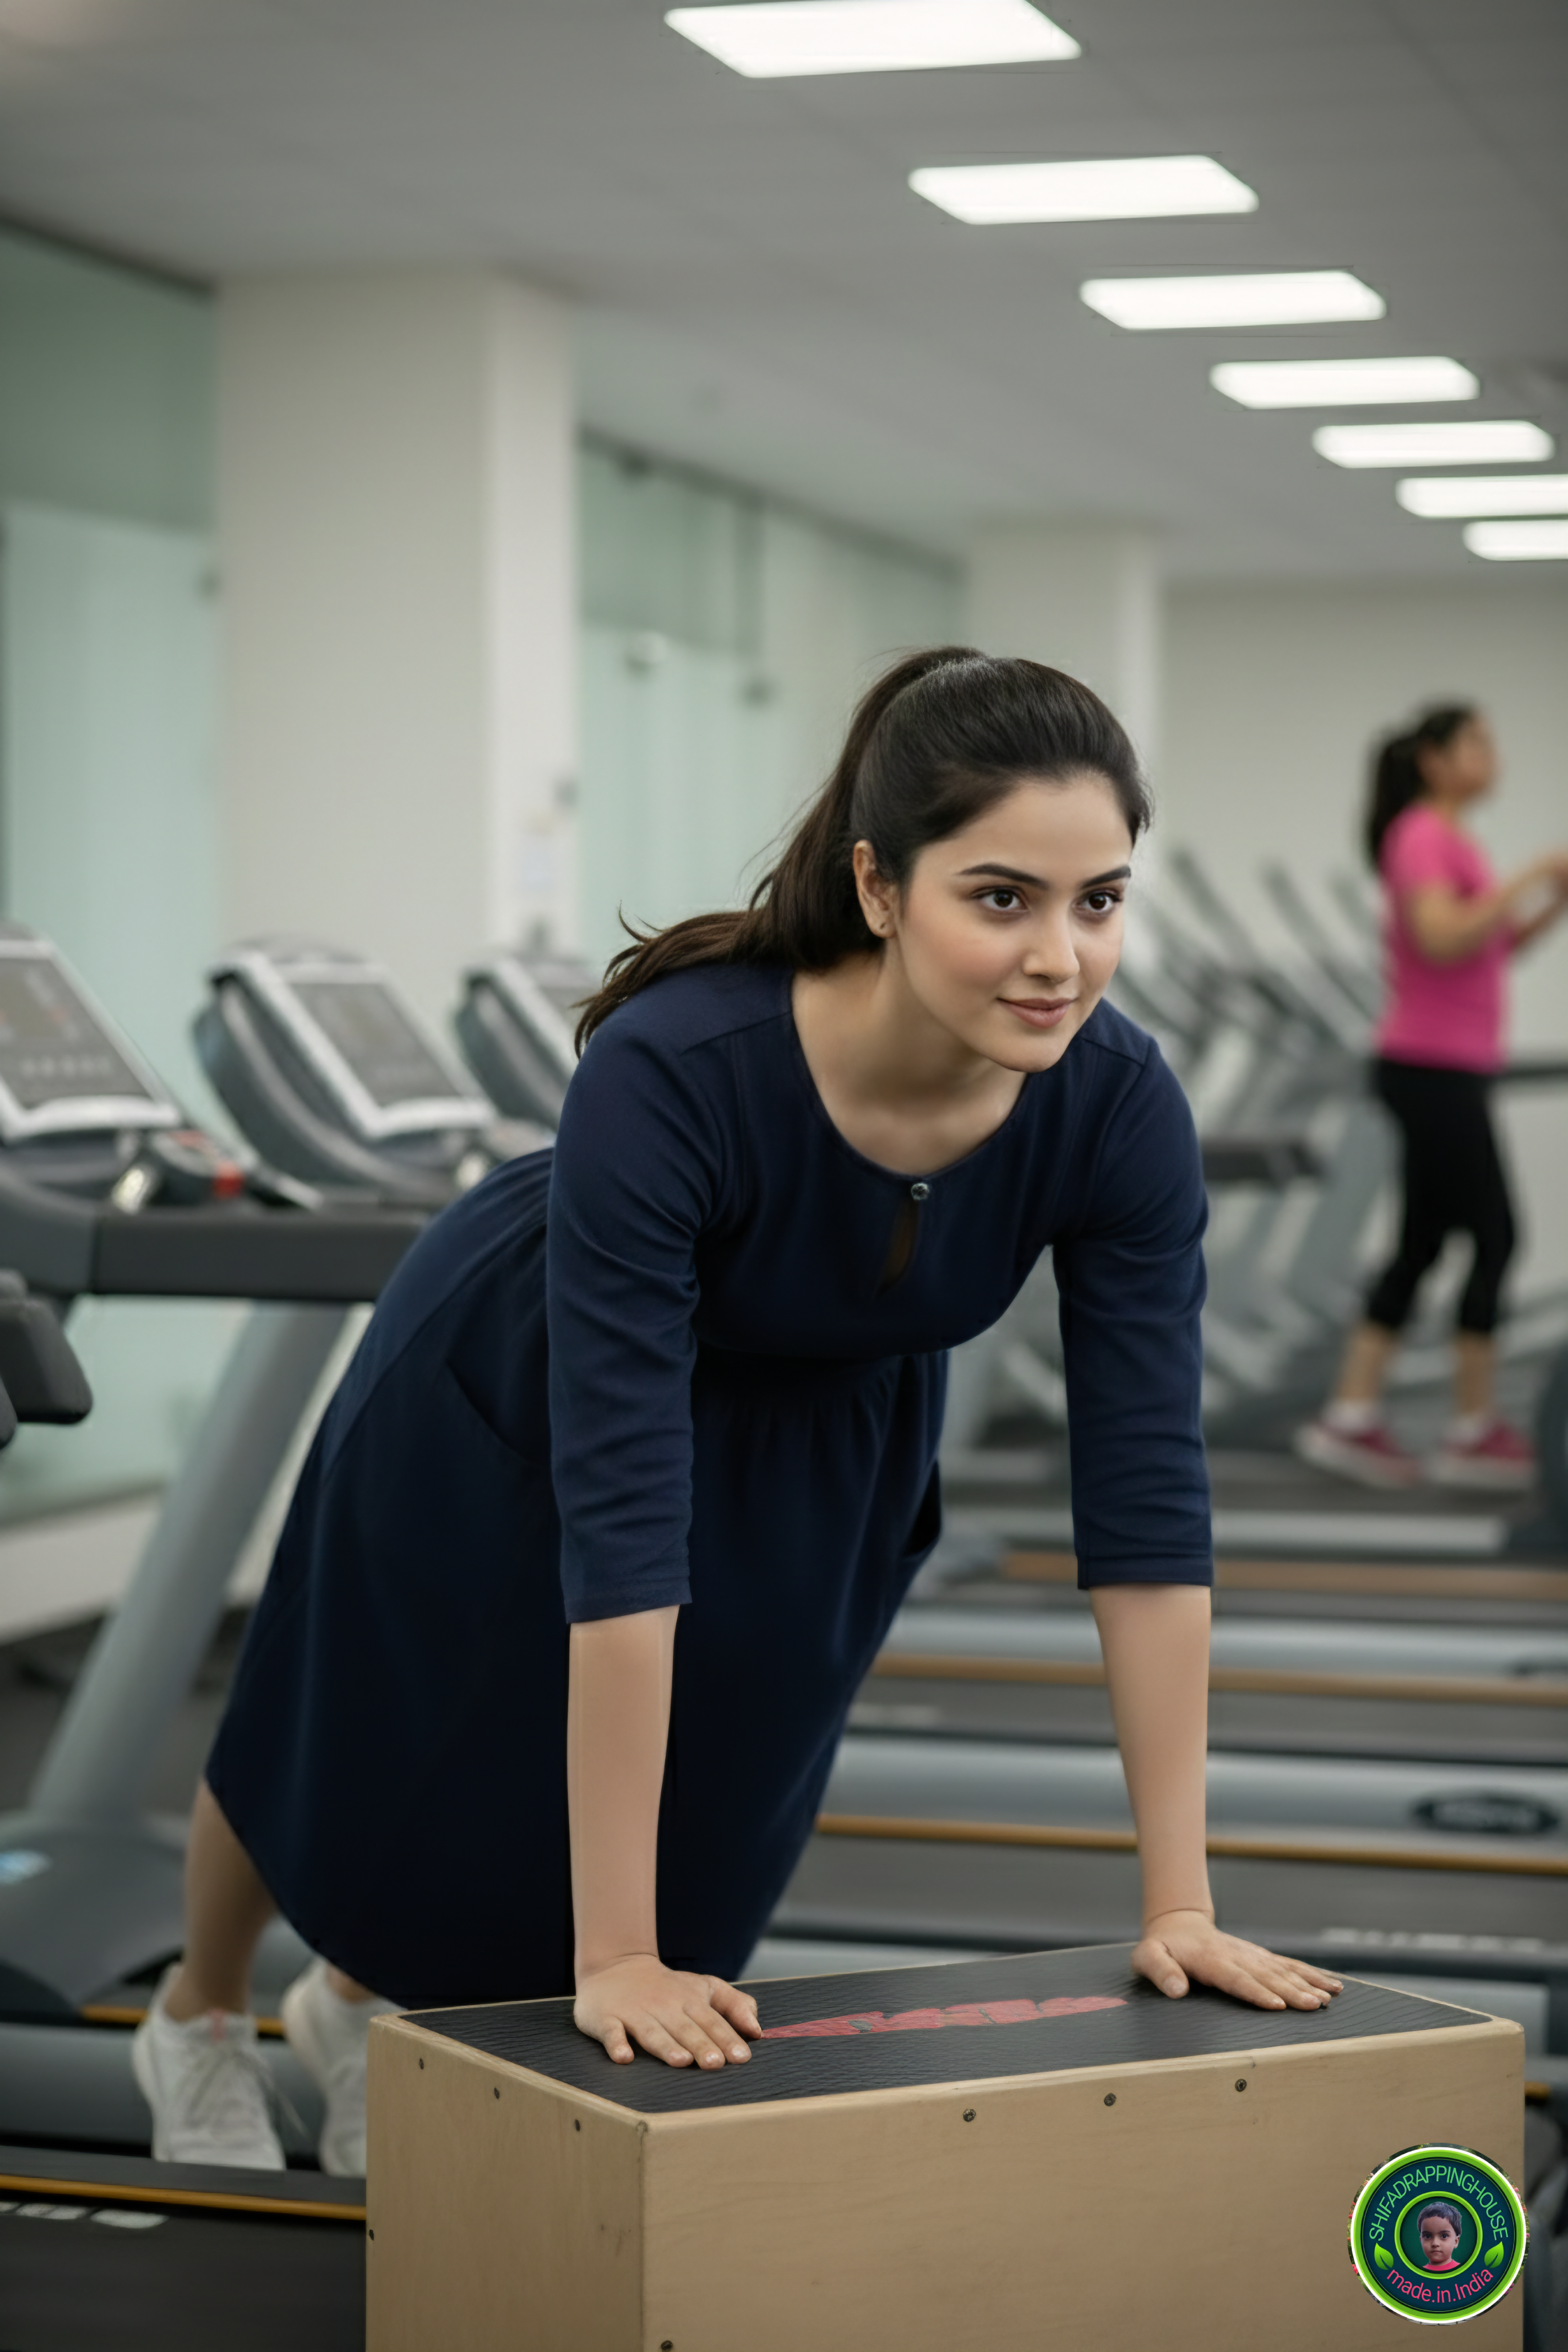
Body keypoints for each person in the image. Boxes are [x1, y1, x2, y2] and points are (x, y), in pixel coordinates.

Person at [132, 648, 1341, 2176]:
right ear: (881, 887)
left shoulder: (1112, 1102)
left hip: (830, 1432)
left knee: (716, 1795)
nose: (1059, 954)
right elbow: (627, 1526)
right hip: (516, 1379)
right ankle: (202, 2011)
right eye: (1000, 897)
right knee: (360, 1719)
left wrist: (1180, 1905)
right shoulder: (680, 1064)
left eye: (1096, 898)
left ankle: (370, 2006)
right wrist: (616, 1955)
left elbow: (1147, 1501)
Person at [1297, 705, 1568, 1490]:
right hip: (1430, 1067)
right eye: (1478, 741)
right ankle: (1470, 1431)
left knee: (1422, 1244)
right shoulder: (1421, 834)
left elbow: (1493, 946)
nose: (1493, 755)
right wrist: (1527, 875)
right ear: (1435, 759)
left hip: (1450, 1066)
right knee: (1496, 1235)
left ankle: (1350, 1417)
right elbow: (1443, 937)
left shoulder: (1452, 837)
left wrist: (1551, 900)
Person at [1416, 2203, 1464, 2273]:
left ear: (1456, 2241)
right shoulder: (1416, 2275)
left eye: (1444, 2236)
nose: (1435, 2243)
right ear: (1421, 2241)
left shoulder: (1465, 2272)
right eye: (1428, 2236)